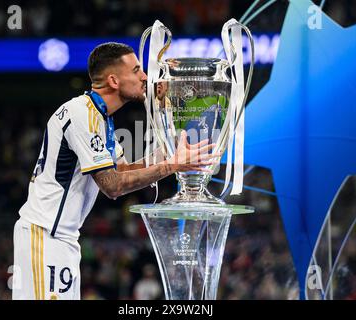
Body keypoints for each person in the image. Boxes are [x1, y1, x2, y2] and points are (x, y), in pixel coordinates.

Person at [12, 42, 218, 300]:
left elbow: (123, 170)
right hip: (44, 236)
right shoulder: (82, 114)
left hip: (60, 238)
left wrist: (170, 154)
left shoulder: (99, 118)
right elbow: (113, 186)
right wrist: (172, 166)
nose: (144, 77)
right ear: (113, 80)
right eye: (136, 70)